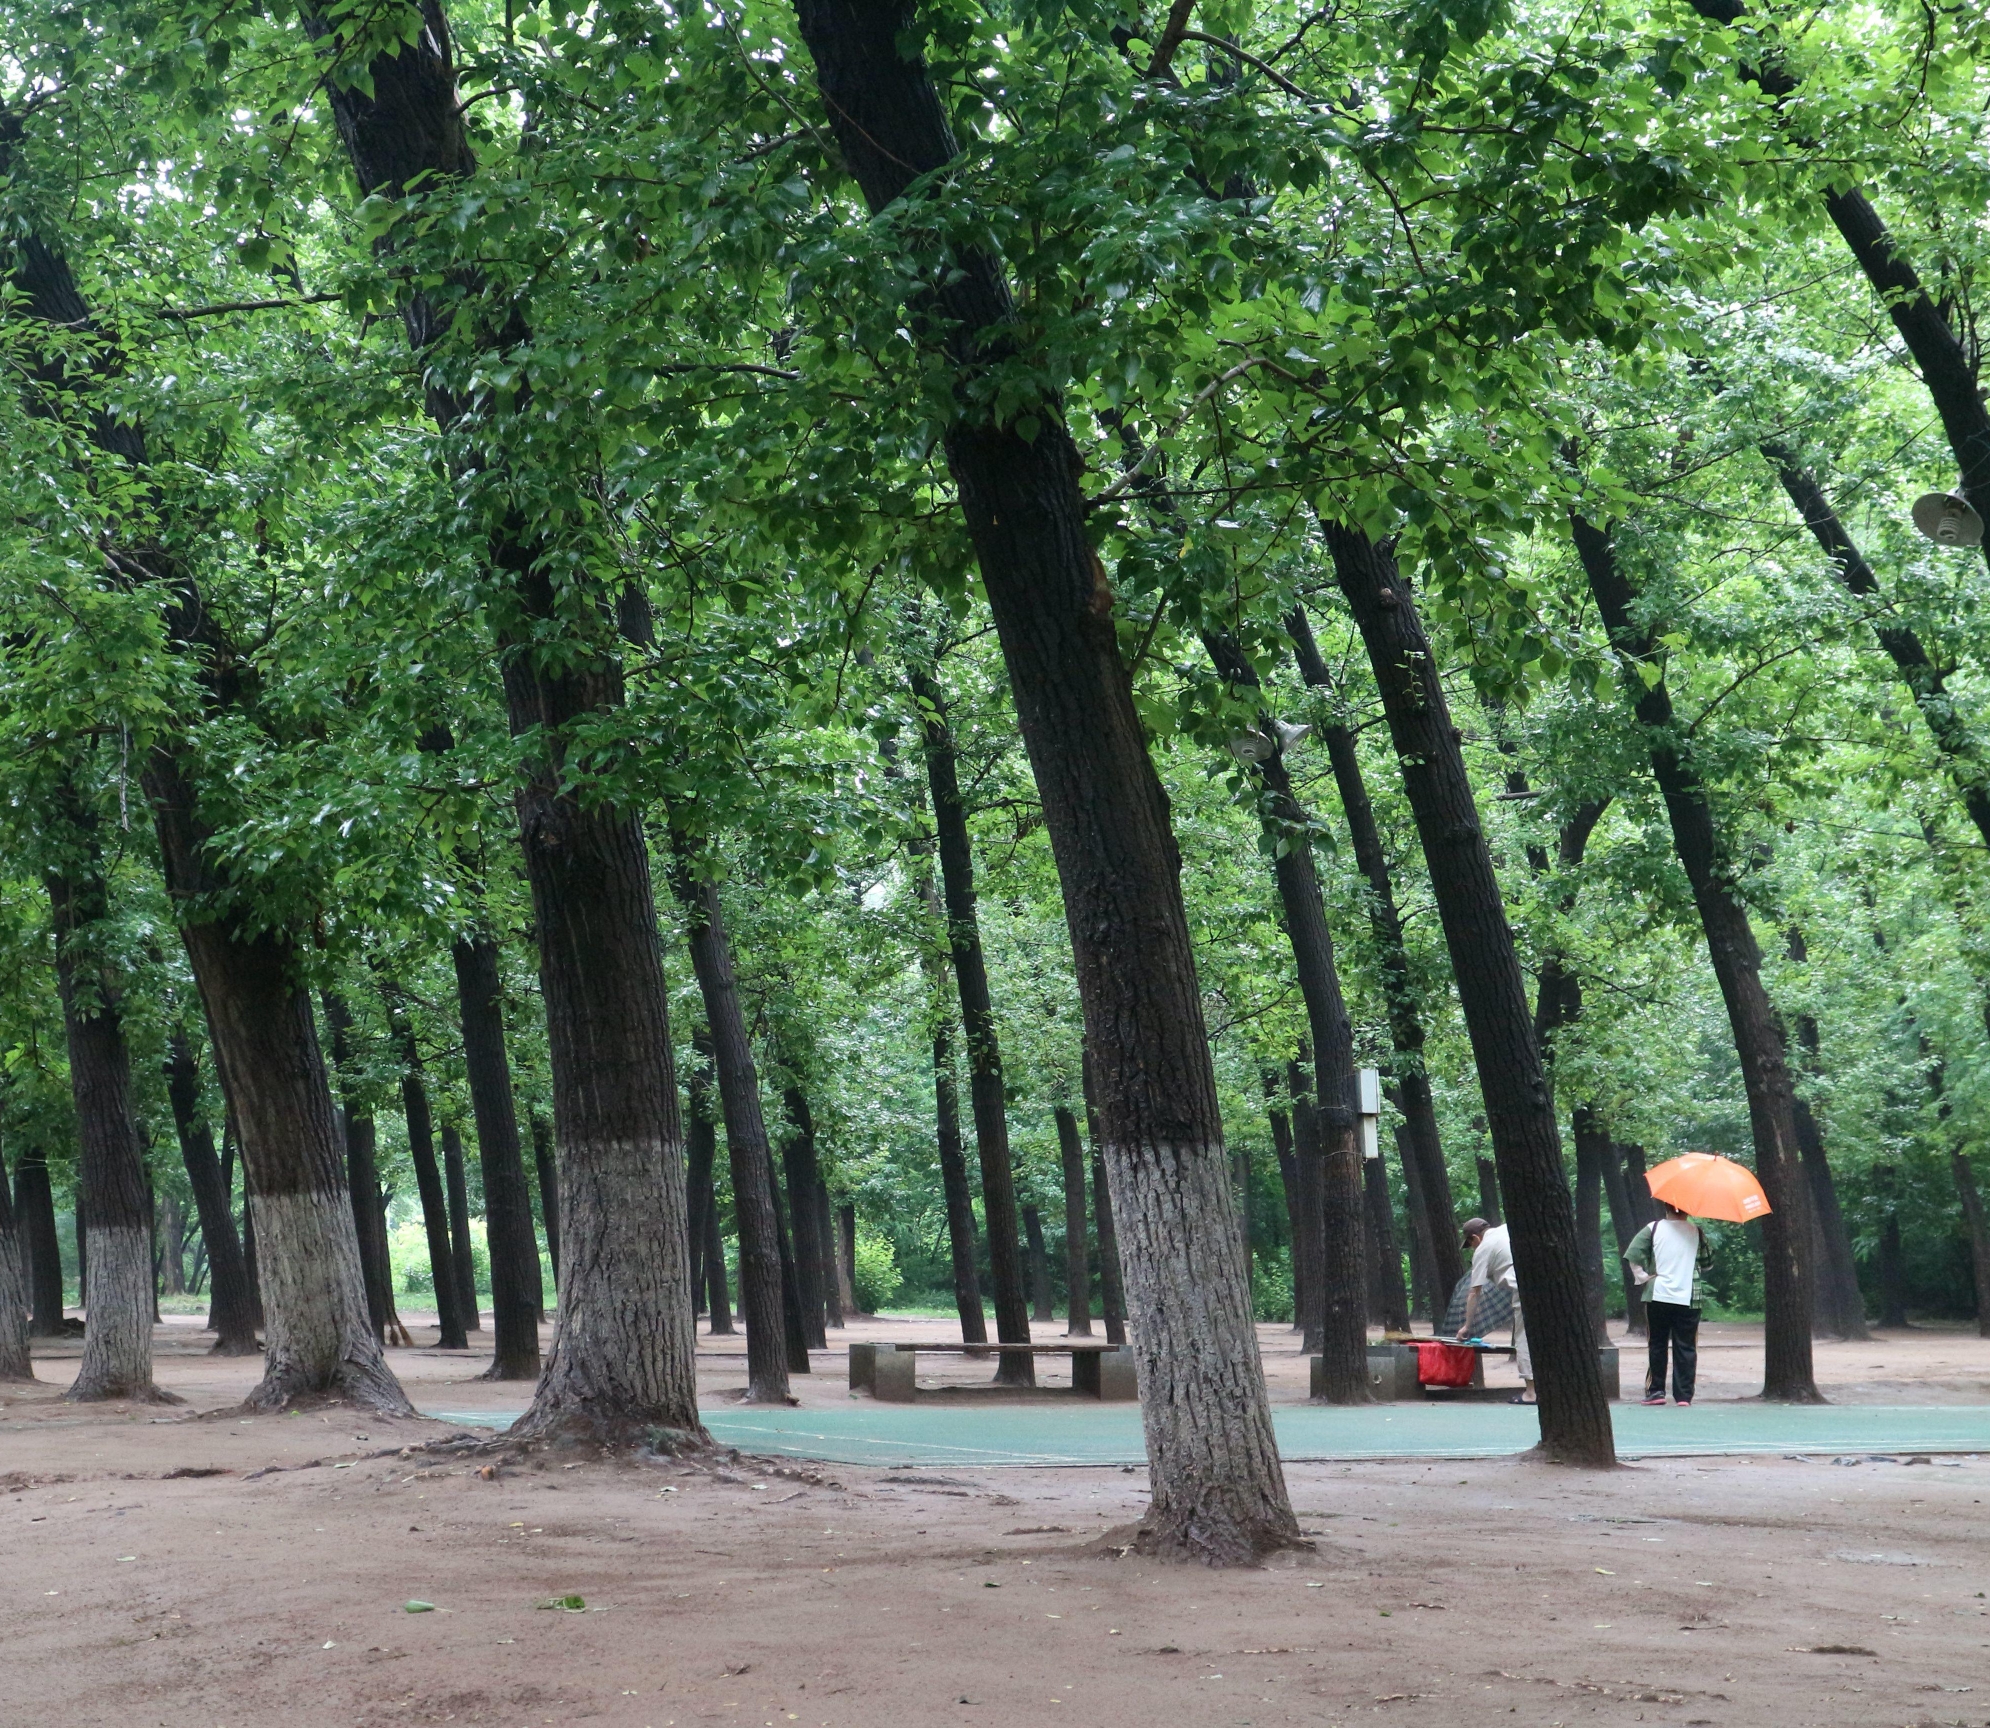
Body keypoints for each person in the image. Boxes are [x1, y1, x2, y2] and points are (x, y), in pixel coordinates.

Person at [1624, 1201, 1708, 1406]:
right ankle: (1684, 1396)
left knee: (1657, 1343)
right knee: (1686, 1346)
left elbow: (1632, 1255)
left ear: (1666, 1207)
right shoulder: (1697, 1232)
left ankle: (1656, 1392)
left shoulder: (1652, 1229)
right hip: (1689, 1297)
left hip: (1658, 1295)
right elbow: (1708, 1262)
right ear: (1688, 1210)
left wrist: (1643, 1276)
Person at [1457, 1216, 1533, 1405]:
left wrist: (1466, 1326)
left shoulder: (1483, 1249)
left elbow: (1475, 1292)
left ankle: (1531, 1393)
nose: (1473, 1248)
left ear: (1475, 1238)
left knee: (1524, 1339)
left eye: (1471, 1244)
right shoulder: (1507, 1229)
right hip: (1546, 1284)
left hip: (1525, 1292)